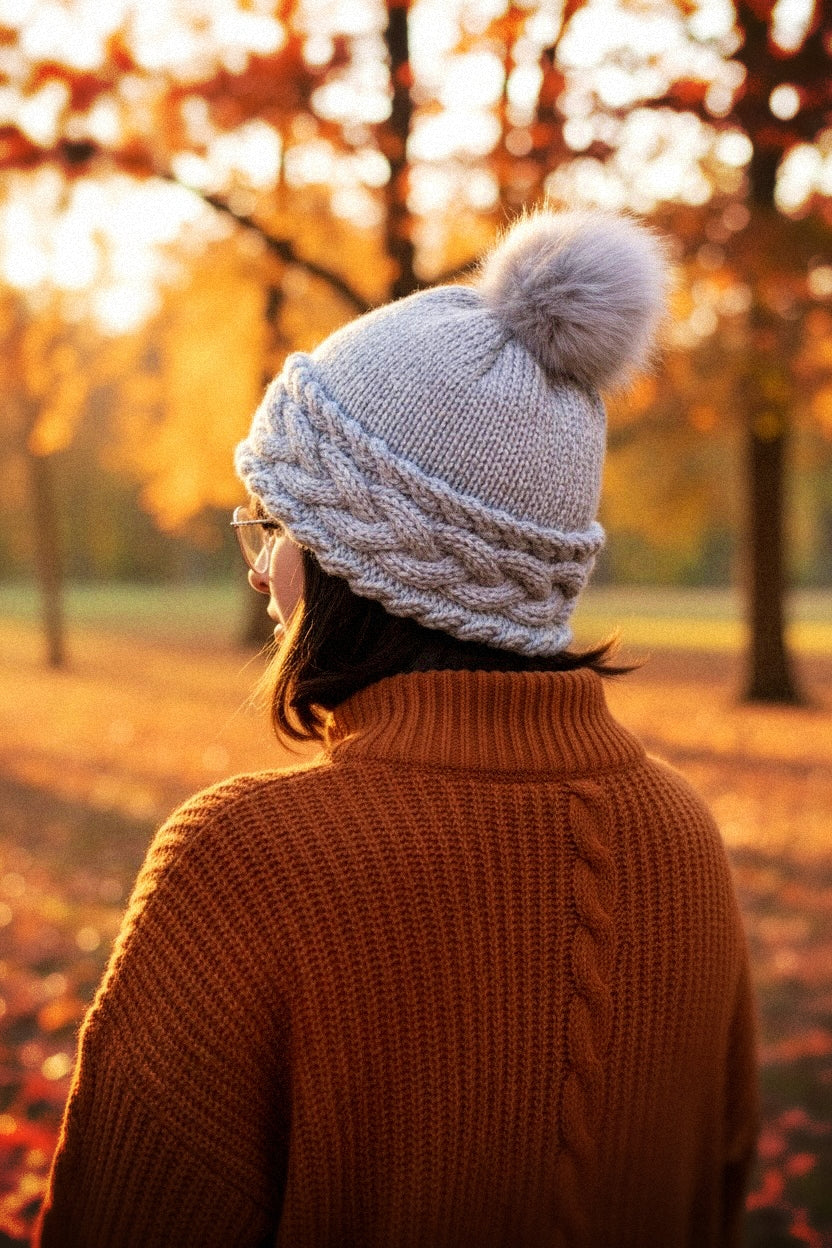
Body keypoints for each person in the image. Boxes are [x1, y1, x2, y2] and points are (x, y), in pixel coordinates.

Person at [35, 211, 759, 1247]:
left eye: (275, 524)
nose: (258, 564)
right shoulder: (681, 839)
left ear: (355, 564)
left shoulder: (241, 863)